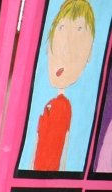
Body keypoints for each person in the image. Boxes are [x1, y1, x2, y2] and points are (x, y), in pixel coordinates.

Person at [32, 0, 95, 171]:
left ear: (88, 55)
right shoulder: (48, 105)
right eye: (61, 29)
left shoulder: (65, 107)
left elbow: (64, 155)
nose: (63, 53)